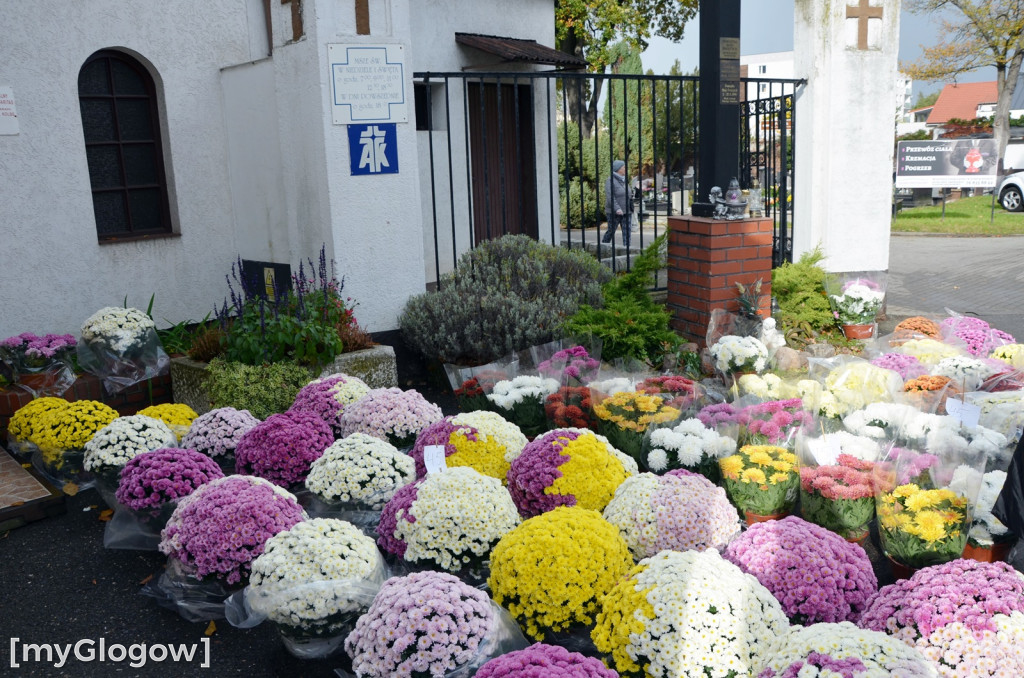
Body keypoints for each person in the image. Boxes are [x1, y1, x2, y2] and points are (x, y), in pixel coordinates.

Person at [603, 160, 631, 246]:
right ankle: (603, 246)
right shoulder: (610, 180)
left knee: (627, 233)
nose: (626, 169)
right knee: (611, 231)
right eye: (624, 167)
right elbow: (610, 197)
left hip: (627, 211)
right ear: (618, 169)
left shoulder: (624, 180)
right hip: (614, 212)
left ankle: (627, 250)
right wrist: (617, 208)